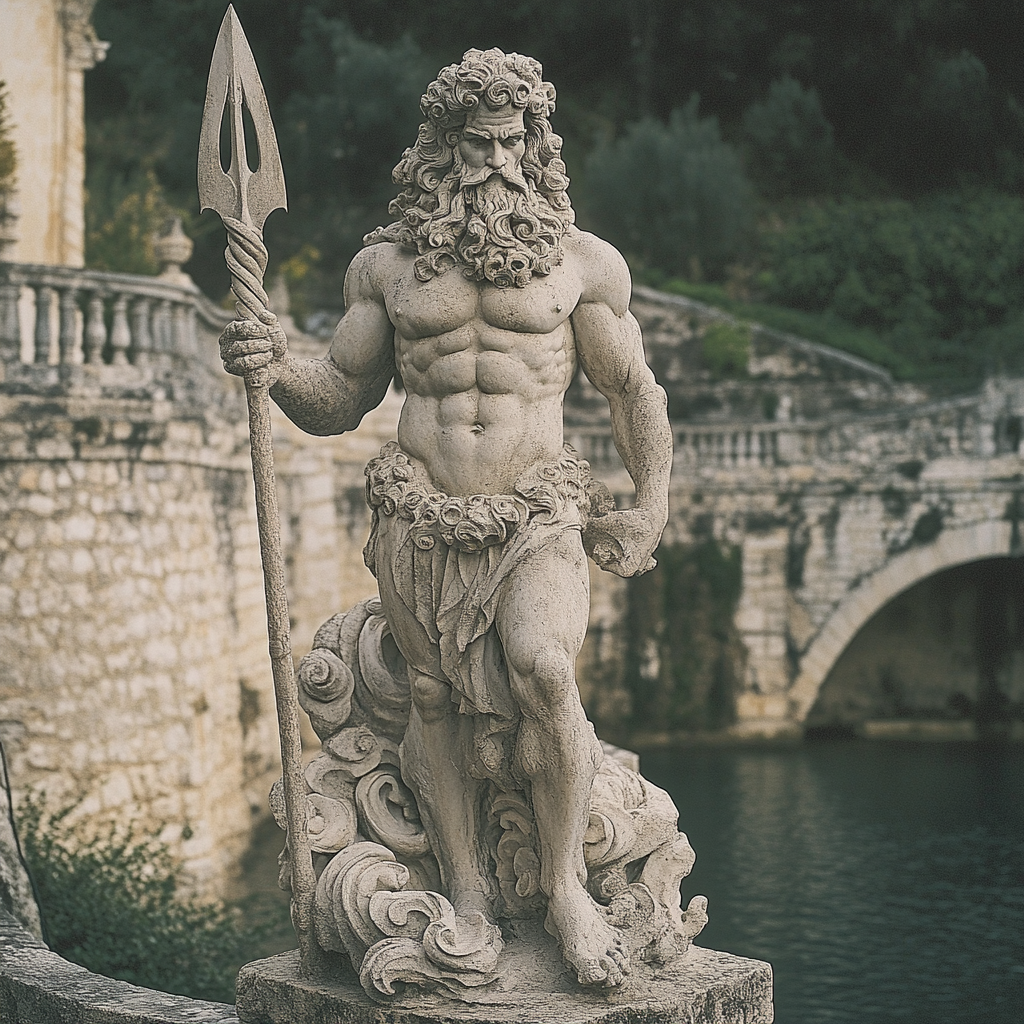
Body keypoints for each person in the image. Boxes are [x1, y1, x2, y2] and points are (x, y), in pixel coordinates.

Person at [220, 48, 672, 989]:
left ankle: (564, 890)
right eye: (479, 143)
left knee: (545, 668)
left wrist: (650, 504)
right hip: (421, 517)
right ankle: (464, 886)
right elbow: (341, 395)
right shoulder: (386, 269)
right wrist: (275, 363)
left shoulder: (584, 266)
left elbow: (633, 388)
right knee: (431, 700)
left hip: (535, 512)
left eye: (515, 141)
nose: (499, 160)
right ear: (443, 148)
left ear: (538, 145)